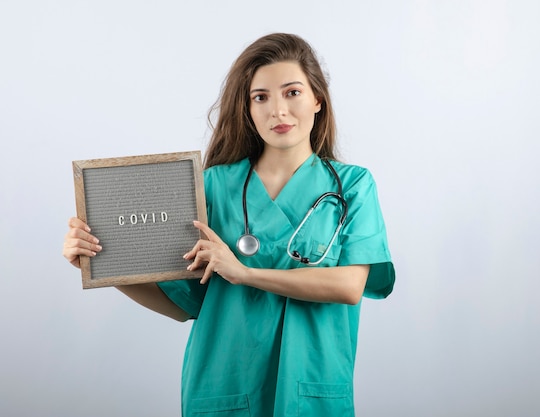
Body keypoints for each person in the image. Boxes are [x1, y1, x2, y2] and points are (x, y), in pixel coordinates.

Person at [63, 33, 395, 417]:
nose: (278, 111)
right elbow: (181, 304)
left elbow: (350, 286)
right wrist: (101, 264)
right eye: (261, 97)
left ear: (317, 99)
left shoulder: (352, 185)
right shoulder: (212, 187)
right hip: (224, 389)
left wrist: (244, 273)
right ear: (248, 109)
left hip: (313, 388)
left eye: (292, 93)